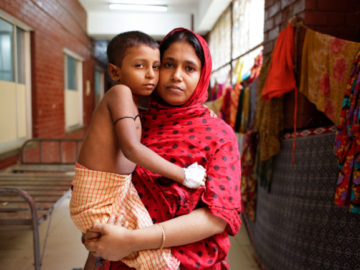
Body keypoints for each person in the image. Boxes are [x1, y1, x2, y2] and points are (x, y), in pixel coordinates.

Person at [83, 28, 242, 269]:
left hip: (188, 262)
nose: (177, 75)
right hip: (120, 260)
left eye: (189, 68)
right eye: (168, 65)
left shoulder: (219, 135)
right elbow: (106, 190)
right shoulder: (132, 124)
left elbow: (216, 217)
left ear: (203, 75)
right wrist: (97, 239)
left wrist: (131, 241)